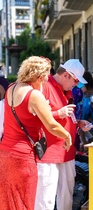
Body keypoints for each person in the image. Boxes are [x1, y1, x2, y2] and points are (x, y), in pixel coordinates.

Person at [0, 56, 72, 210]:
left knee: (8, 201)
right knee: (25, 200)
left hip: (5, 152)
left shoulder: (11, 88)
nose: (48, 78)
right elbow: (52, 125)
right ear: (39, 76)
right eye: (47, 75)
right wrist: (67, 135)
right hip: (23, 156)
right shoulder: (34, 95)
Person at [35, 59, 91, 210]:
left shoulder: (67, 90)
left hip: (66, 152)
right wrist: (58, 113)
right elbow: (35, 117)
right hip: (49, 153)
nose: (77, 86)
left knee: (66, 197)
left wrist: (78, 122)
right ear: (66, 75)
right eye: (76, 81)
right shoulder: (44, 87)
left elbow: (67, 115)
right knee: (45, 198)